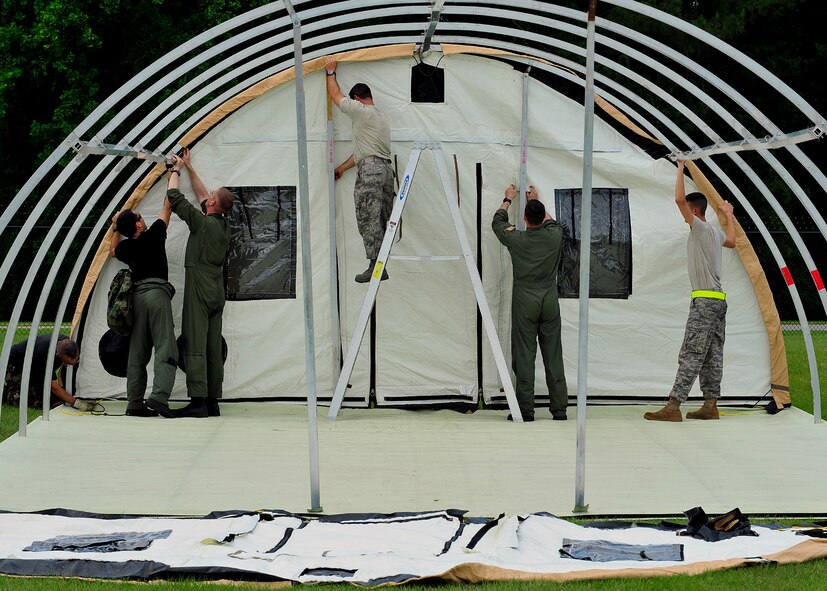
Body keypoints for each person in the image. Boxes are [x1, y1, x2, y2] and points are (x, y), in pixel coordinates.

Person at [644, 160, 736, 422]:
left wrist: (681, 167)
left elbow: (678, 200)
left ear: (695, 212)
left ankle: (673, 407)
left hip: (704, 302)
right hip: (719, 302)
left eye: (688, 213)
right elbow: (732, 242)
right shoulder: (716, 233)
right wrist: (729, 215)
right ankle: (710, 404)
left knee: (692, 352)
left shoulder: (700, 227)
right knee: (712, 354)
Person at [167, 149, 234, 418]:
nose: (208, 197)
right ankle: (212, 401)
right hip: (217, 291)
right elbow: (204, 195)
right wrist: (190, 167)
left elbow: (175, 197)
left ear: (213, 204)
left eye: (212, 196)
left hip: (199, 289)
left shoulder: (201, 224)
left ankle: (197, 403)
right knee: (212, 347)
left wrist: (175, 170)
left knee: (194, 344)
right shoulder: (223, 226)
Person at [492, 184, 568, 422]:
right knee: (553, 354)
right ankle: (560, 410)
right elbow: (552, 223)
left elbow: (497, 222)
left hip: (525, 299)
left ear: (524, 219)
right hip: (549, 299)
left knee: (525, 355)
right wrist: (536, 199)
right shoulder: (555, 236)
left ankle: (526, 410)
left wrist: (508, 199)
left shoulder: (517, 239)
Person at [110, 175, 178, 418]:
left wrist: (116, 226)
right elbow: (168, 204)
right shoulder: (155, 235)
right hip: (158, 296)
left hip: (136, 300)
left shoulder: (127, 248)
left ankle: (134, 403)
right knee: (165, 347)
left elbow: (111, 250)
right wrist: (174, 173)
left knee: (137, 352)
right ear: (138, 225)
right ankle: (159, 398)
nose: (143, 218)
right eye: (139, 217)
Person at [325, 56, 395, 283]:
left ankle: (375, 265)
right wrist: (343, 168)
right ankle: (380, 262)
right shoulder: (380, 118)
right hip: (384, 171)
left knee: (368, 217)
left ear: (357, 99)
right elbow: (362, 154)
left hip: (371, 172)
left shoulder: (361, 111)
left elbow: (336, 96)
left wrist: (330, 73)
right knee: (381, 219)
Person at [3, 334, 92, 411]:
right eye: (68, 363)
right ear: (57, 355)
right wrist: (76, 403)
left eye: (75, 361)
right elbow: (52, 386)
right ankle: (7, 392)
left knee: (51, 396)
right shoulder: (43, 356)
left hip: (34, 365)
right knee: (35, 402)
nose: (73, 364)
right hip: (16, 364)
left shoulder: (67, 344)